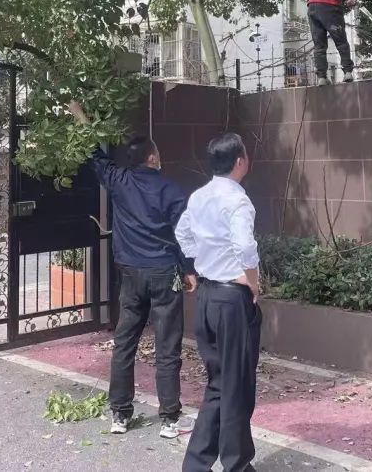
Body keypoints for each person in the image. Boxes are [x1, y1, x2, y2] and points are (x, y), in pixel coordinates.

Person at [67, 101, 196, 439]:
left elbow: (95, 153)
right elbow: (184, 235)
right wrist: (189, 269)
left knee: (125, 342)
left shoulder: (118, 180)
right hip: (164, 273)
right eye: (158, 154)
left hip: (131, 274)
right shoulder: (171, 190)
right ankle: (169, 419)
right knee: (167, 346)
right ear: (152, 158)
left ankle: (120, 414)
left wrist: (81, 116)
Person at [175, 133, 261, 472]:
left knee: (219, 382)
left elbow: (182, 234)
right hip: (231, 299)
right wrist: (251, 280)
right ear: (240, 161)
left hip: (207, 297)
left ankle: (197, 463)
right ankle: (237, 465)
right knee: (236, 384)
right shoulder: (238, 201)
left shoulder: (199, 196)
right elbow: (245, 246)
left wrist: (200, 265)